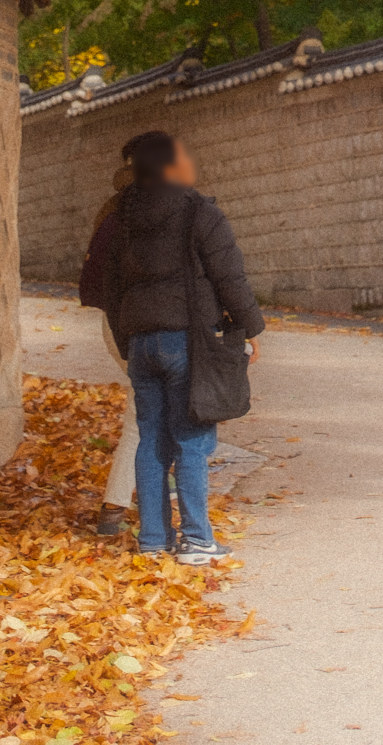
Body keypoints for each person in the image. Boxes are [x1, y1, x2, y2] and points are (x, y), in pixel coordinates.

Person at [102, 128, 265, 562]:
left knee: (151, 439)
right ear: (171, 165)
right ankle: (196, 539)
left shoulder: (121, 218)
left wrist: (128, 340)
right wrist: (251, 328)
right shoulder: (199, 213)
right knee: (192, 440)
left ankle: (153, 539)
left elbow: (111, 286)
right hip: (186, 340)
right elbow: (230, 277)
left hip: (141, 342)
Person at [79, 164, 140, 539]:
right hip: (137, 326)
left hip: (114, 323)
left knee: (151, 405)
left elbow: (92, 284)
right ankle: (116, 505)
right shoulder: (140, 224)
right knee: (144, 409)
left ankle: (136, 493)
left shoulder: (110, 218)